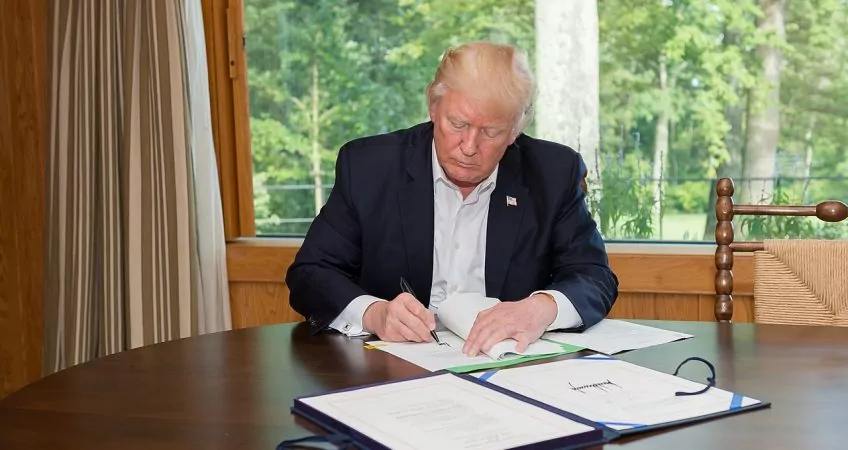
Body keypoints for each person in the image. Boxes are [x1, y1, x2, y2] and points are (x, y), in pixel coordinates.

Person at [286, 41, 618, 357]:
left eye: (491, 132)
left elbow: (594, 276)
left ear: (516, 129)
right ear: (433, 107)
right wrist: (375, 313)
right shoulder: (369, 167)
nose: (470, 146)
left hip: (509, 365)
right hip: (392, 368)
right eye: (457, 124)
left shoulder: (552, 173)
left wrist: (540, 309)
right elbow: (311, 274)